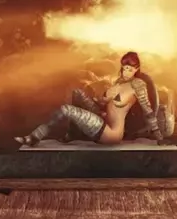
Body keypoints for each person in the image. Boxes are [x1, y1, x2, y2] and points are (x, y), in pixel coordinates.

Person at [16, 51, 163, 147]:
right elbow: (105, 103)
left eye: (130, 69)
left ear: (136, 69)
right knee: (77, 93)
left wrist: (158, 136)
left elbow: (148, 110)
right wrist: (99, 100)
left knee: (66, 110)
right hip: (103, 118)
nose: (126, 72)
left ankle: (34, 137)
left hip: (110, 133)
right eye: (124, 68)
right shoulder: (119, 82)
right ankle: (72, 133)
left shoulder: (138, 85)